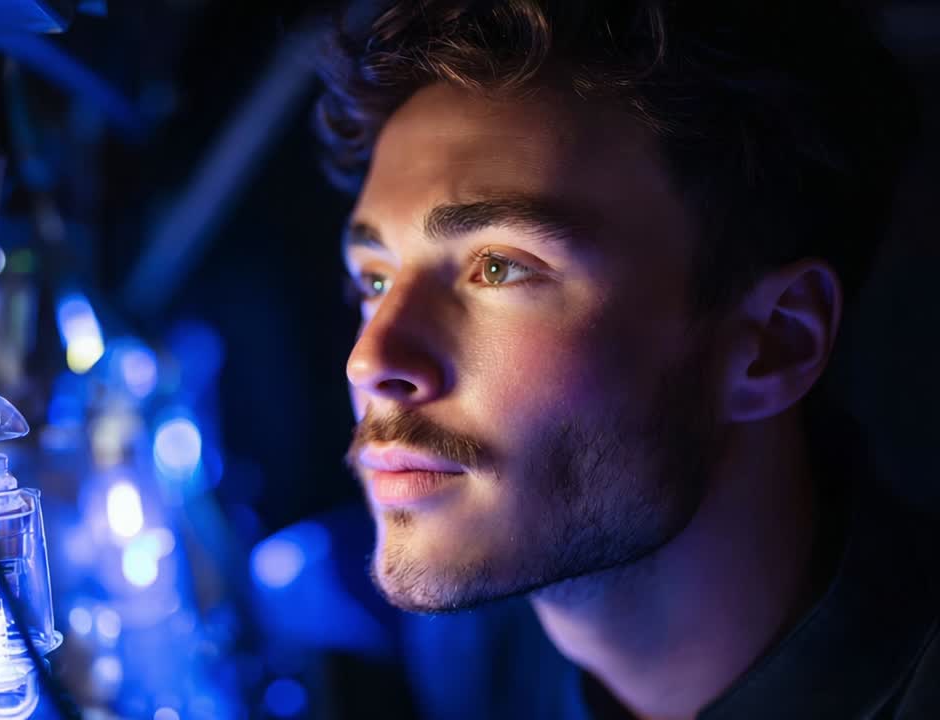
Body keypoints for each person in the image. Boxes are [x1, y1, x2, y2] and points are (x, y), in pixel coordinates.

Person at [318, 1, 939, 717]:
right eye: (376, 279)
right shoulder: (471, 641)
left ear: (775, 343)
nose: (370, 361)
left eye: (498, 268)